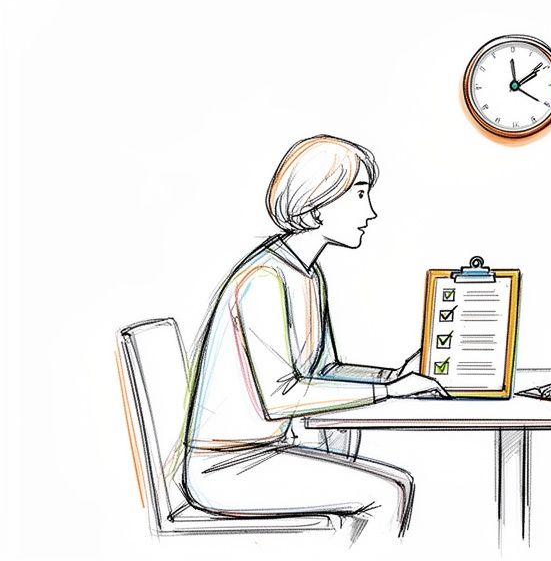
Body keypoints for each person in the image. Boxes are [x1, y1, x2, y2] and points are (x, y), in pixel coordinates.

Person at [182, 135, 447, 539]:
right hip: (225, 466)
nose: (371, 211)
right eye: (359, 195)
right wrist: (390, 393)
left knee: (390, 486)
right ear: (317, 202)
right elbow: (279, 397)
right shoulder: (265, 280)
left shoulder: (308, 274)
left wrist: (391, 377)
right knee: (388, 493)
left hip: (265, 453)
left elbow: (326, 370)